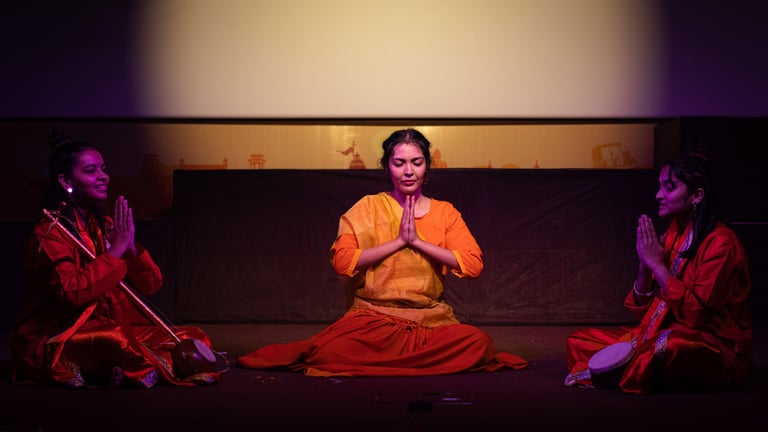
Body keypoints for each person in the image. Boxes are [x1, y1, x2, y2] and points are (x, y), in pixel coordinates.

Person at [237, 128, 528, 376]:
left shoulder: (445, 212)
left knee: (477, 343)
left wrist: (417, 242)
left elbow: (473, 266)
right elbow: (342, 262)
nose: (408, 171)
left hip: (429, 321)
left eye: (416, 162)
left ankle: (387, 364)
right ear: (387, 167)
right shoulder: (368, 207)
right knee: (331, 350)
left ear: (427, 166)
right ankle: (416, 364)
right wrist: (399, 241)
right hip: (373, 320)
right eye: (399, 163)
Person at [10, 130, 227, 389]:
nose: (103, 176)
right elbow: (73, 293)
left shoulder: (103, 225)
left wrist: (130, 249)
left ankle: (123, 367)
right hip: (56, 336)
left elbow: (151, 285)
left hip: (105, 326)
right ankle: (142, 367)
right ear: (66, 180)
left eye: (103, 169)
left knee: (193, 337)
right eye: (91, 171)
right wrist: (116, 250)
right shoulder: (50, 232)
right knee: (116, 338)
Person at [564, 153, 752, 393]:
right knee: (579, 341)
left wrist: (658, 266)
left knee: (667, 347)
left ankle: (621, 370)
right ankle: (628, 367)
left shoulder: (721, 243)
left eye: (669, 187)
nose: (658, 195)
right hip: (660, 330)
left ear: (697, 195)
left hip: (710, 343)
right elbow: (644, 311)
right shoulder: (674, 234)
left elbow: (696, 316)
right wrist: (645, 266)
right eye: (659, 187)